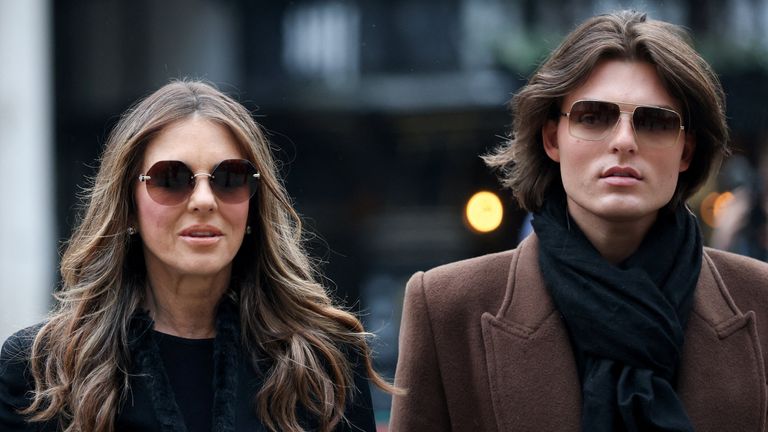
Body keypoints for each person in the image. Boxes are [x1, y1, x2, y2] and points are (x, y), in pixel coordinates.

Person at [390, 10, 768, 432]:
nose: (624, 141)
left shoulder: (760, 298)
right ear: (552, 138)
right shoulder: (447, 307)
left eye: (654, 121)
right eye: (593, 117)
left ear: (686, 150)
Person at [0, 80, 391, 432]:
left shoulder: (325, 363)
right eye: (171, 178)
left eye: (230, 178)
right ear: (128, 207)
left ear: (253, 207)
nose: (204, 200)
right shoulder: (39, 371)